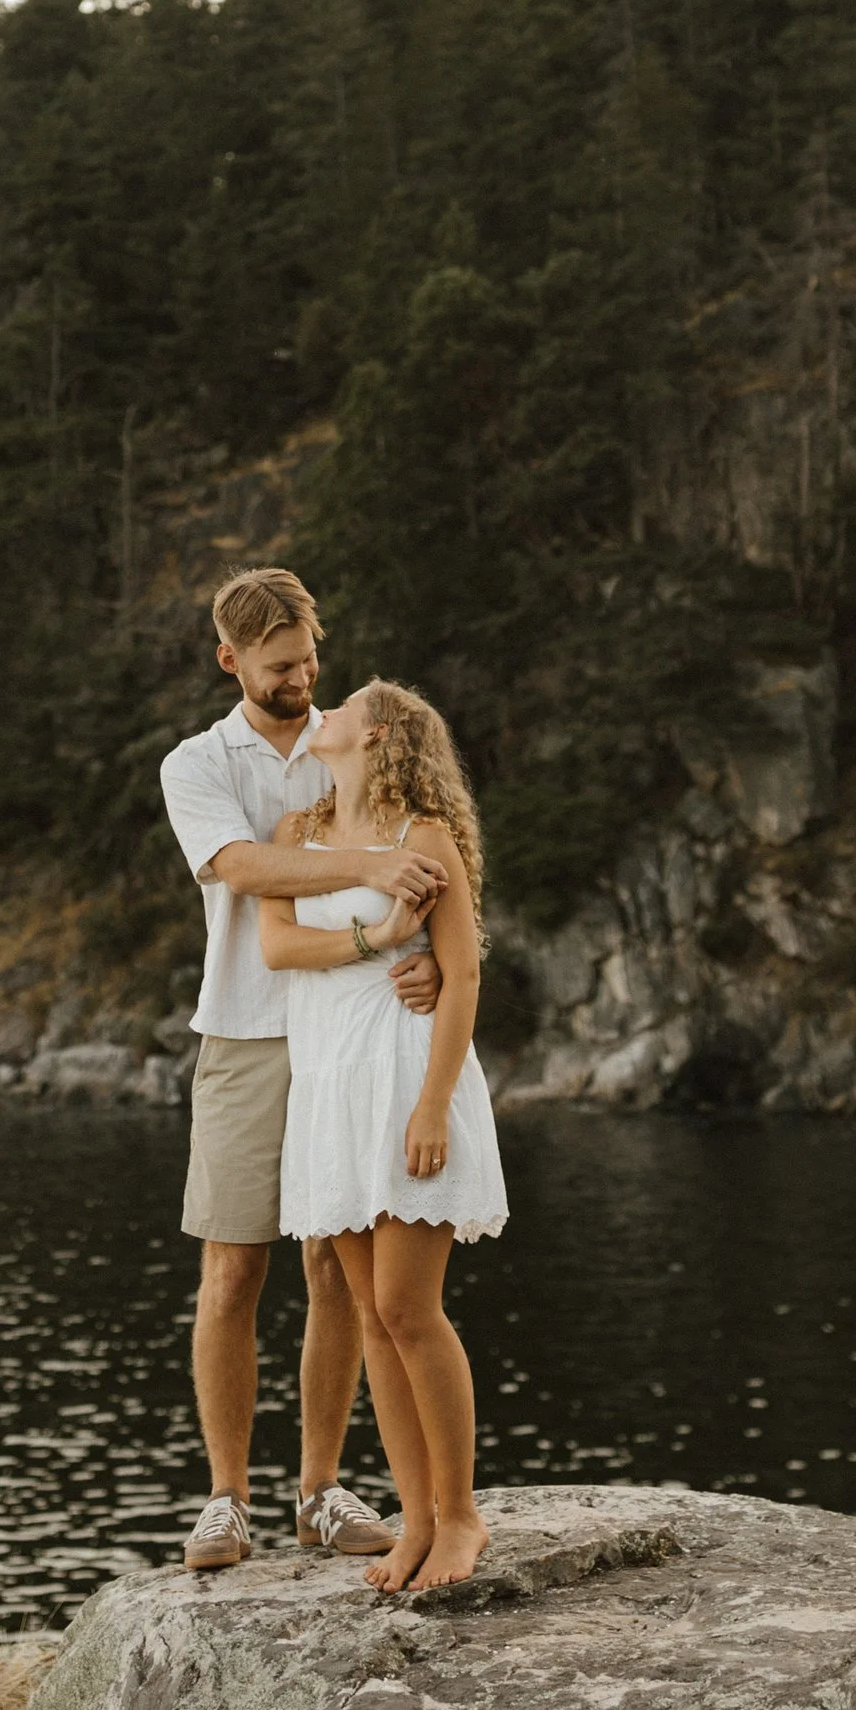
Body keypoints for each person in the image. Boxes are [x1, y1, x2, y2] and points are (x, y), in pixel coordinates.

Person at [158, 568, 448, 1575]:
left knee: (337, 1266)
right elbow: (241, 871)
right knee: (234, 1266)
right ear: (229, 660)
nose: (302, 677)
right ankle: (225, 1501)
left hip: (352, 1032)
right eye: (280, 665)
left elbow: (427, 854)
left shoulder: (353, 741)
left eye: (310, 657)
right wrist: (370, 881)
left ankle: (318, 1492)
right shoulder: (195, 764)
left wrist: (423, 960)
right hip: (244, 1033)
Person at [257, 678, 503, 1594]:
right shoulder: (297, 839)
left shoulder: (422, 838)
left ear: (383, 732)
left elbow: (464, 974)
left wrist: (434, 1103)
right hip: (331, 1091)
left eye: (349, 702)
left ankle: (463, 1517)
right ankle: (418, 1521)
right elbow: (277, 950)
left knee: (408, 1308)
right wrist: (377, 939)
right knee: (370, 1318)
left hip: (404, 1079)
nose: (328, 707)